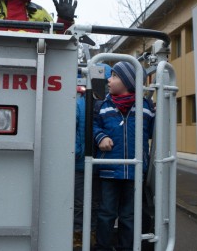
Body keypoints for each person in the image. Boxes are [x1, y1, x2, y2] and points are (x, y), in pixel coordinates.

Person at [93, 61, 155, 251]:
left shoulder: (145, 107)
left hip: (134, 171)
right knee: (106, 213)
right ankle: (102, 247)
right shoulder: (104, 105)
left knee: (129, 215)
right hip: (110, 169)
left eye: (114, 76)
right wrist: (100, 137)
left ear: (128, 82)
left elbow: (153, 132)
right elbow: (94, 125)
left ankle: (126, 247)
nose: (109, 80)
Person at [74, 64, 112, 250]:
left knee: (97, 203)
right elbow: (73, 130)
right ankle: (79, 235)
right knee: (80, 203)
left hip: (100, 164)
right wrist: (78, 152)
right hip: (80, 164)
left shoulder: (108, 105)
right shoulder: (79, 102)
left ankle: (93, 234)